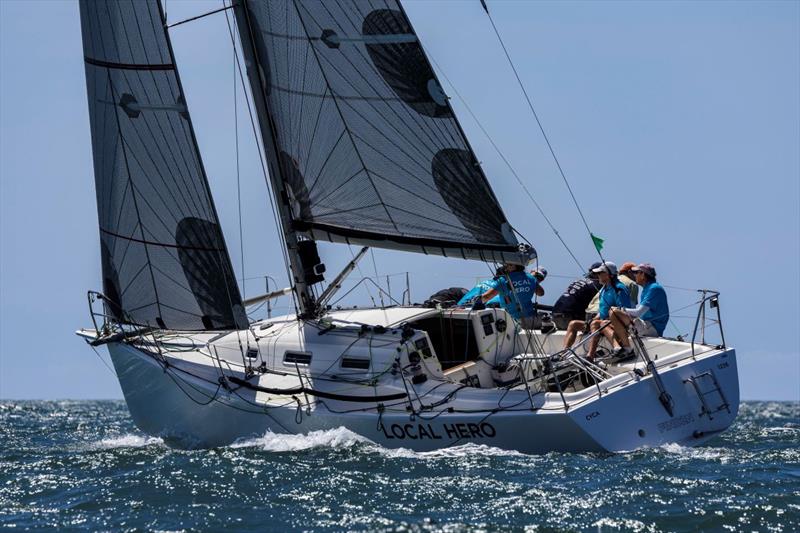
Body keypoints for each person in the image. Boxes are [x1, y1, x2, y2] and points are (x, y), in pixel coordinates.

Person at [609, 263, 669, 362]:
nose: (634, 275)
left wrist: (619, 309)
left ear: (643, 275)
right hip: (646, 325)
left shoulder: (654, 288)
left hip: (651, 328)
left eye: (636, 272)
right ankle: (619, 348)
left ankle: (627, 349)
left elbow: (638, 312)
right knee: (610, 321)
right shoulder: (647, 288)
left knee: (614, 312)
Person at [584, 262, 632, 360]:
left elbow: (623, 310)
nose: (598, 275)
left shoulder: (619, 288)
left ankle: (619, 349)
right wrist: (594, 319)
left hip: (620, 323)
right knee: (593, 323)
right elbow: (602, 310)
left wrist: (608, 320)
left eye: (600, 273)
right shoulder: (604, 289)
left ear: (609, 275)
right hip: (606, 322)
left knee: (603, 323)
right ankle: (590, 356)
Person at [479, 264, 546, 329]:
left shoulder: (502, 280)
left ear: (514, 266)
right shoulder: (531, 278)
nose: (505, 266)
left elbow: (486, 297)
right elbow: (541, 293)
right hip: (530, 321)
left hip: (510, 322)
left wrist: (476, 301)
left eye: (508, 264)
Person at [552, 262, 602, 330]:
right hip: (568, 320)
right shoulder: (597, 285)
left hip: (554, 318)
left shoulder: (579, 281)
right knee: (598, 325)